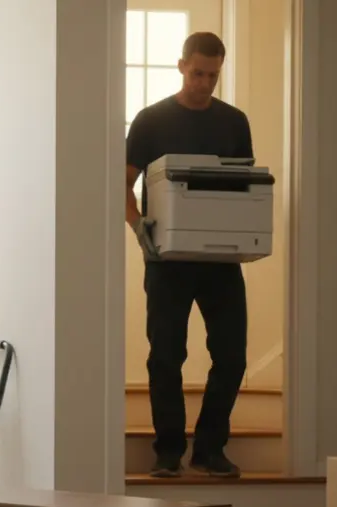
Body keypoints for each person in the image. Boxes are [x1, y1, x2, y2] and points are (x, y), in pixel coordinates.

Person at [125, 31, 253, 479]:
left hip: (220, 259)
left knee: (232, 356)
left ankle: (210, 449)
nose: (204, 83)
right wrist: (138, 226)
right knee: (166, 355)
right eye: (197, 73)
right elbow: (122, 183)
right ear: (181, 66)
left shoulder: (234, 123)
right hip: (167, 260)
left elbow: (244, 185)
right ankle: (168, 452)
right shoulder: (150, 121)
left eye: (213, 75)